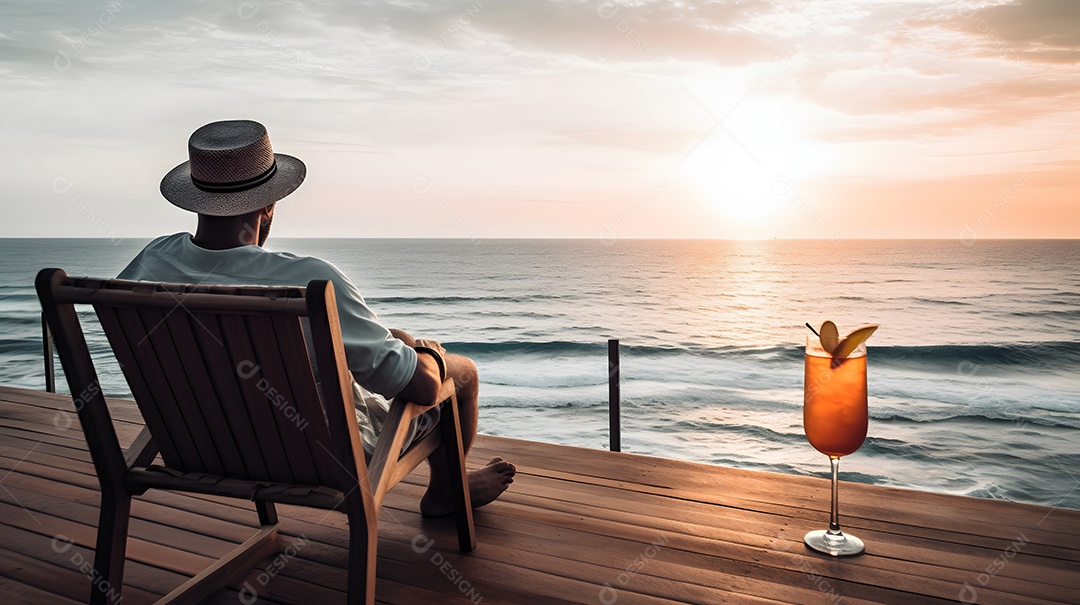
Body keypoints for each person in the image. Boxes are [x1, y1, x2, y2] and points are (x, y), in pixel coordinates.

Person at [118, 119, 514, 516]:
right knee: (459, 374)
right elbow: (423, 390)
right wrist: (429, 354)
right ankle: (448, 490)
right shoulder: (309, 279)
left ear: (197, 199)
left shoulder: (150, 262)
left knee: (389, 341)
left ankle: (442, 461)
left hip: (200, 443)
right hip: (319, 455)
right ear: (269, 203)